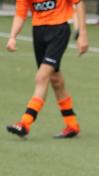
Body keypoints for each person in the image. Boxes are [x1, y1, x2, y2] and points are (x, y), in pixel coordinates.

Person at [5, 0, 89, 139]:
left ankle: (25, 123)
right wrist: (13, 37)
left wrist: (82, 33)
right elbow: (20, 13)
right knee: (55, 79)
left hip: (58, 31)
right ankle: (72, 125)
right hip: (38, 32)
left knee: (41, 76)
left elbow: (79, 3)